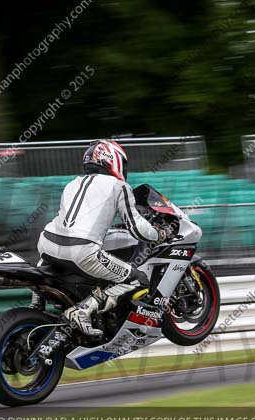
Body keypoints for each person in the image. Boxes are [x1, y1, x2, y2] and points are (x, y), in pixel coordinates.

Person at [37, 139, 169, 337]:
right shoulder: (118, 186)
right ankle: (84, 311)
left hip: (46, 245)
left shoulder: (72, 184)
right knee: (137, 279)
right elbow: (137, 228)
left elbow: (78, 222)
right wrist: (160, 233)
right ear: (112, 159)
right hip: (81, 252)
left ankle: (36, 305)